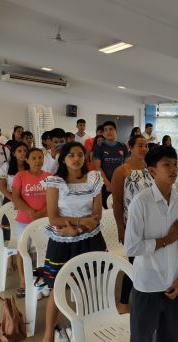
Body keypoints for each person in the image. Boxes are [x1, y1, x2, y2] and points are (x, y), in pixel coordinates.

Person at [125, 145, 178, 342]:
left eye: (175, 164)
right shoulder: (141, 202)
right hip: (148, 284)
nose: (173, 169)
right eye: (166, 165)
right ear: (152, 170)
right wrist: (165, 241)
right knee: (142, 337)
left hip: (173, 284)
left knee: (171, 336)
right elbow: (131, 247)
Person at [41, 142, 107, 342]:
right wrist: (78, 223)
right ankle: (48, 333)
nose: (76, 158)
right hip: (62, 242)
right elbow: (53, 218)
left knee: (88, 286)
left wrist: (77, 228)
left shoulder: (94, 179)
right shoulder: (55, 182)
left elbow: (97, 214)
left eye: (80, 154)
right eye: (71, 155)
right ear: (63, 159)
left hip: (89, 239)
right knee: (57, 287)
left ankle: (82, 328)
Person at [111, 134, 153, 314]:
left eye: (146, 145)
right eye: (140, 145)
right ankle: (123, 303)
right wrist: (121, 228)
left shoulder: (151, 168)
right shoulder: (122, 171)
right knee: (134, 263)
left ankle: (146, 297)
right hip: (133, 224)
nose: (144, 149)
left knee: (150, 262)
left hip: (152, 222)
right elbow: (118, 203)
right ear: (130, 147)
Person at [11, 148, 51, 298]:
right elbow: (16, 197)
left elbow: (53, 199)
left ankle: (44, 279)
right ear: (27, 160)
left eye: (40, 157)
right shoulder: (20, 176)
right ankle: (23, 281)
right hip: (24, 221)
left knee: (46, 250)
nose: (37, 161)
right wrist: (31, 212)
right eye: (33, 158)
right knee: (23, 251)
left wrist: (41, 213)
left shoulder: (49, 177)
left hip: (44, 220)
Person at [93, 121, 128, 209]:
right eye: (106, 130)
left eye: (111, 129)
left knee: (120, 209)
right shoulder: (99, 147)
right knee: (106, 210)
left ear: (116, 131)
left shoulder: (123, 146)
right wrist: (108, 184)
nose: (108, 132)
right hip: (105, 185)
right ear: (103, 133)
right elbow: (97, 167)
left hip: (121, 184)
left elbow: (127, 166)